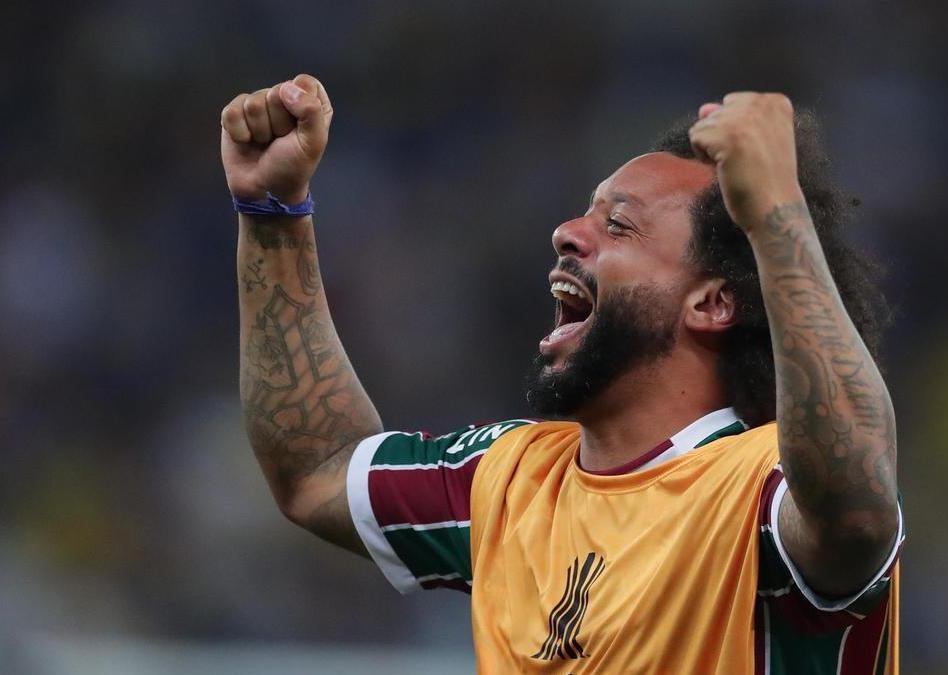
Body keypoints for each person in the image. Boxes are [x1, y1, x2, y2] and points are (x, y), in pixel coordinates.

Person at [221, 73, 903, 674]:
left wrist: (775, 214)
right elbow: (316, 468)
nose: (568, 232)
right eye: (585, 211)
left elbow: (858, 508)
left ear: (713, 302)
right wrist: (273, 213)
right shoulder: (509, 479)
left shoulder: (761, 491)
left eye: (620, 224)